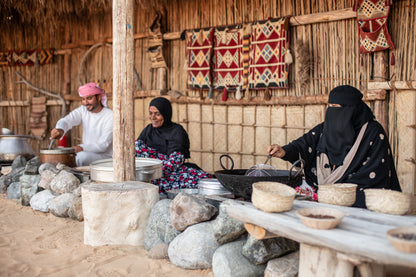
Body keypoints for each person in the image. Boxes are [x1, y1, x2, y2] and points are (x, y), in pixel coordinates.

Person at [267, 85, 401, 208]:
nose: (331, 111)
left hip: (359, 199)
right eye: (329, 106)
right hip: (325, 198)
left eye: (336, 107)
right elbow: (305, 144)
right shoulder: (327, 127)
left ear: (352, 110)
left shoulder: (373, 133)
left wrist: (340, 193)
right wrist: (284, 151)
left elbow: (374, 174)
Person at [135, 97, 212, 194]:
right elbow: (137, 153)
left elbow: (174, 162)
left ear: (166, 114)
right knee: (137, 146)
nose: (153, 117)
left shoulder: (177, 131)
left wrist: (155, 172)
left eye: (157, 114)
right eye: (151, 113)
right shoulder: (148, 130)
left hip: (171, 172)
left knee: (204, 182)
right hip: (148, 173)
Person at [50, 82, 113, 166]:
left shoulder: (110, 115)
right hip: (86, 152)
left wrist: (81, 148)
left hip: (105, 157)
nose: (86, 102)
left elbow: (103, 145)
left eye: (89, 98)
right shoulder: (83, 110)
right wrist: (60, 129)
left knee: (81, 157)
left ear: (99, 97)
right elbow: (67, 120)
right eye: (83, 99)